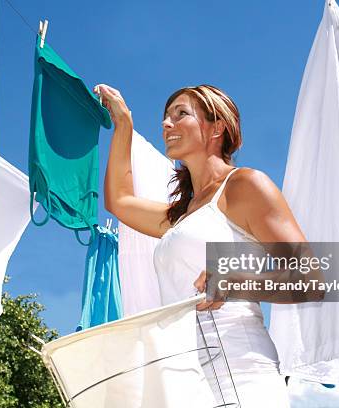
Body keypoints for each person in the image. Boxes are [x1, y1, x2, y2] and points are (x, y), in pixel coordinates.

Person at [96, 83, 310, 407]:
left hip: (239, 375)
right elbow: (120, 201)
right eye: (165, 117)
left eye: (181, 114)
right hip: (186, 382)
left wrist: (235, 282)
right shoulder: (181, 217)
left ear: (217, 127)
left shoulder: (244, 185)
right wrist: (123, 122)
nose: (167, 124)